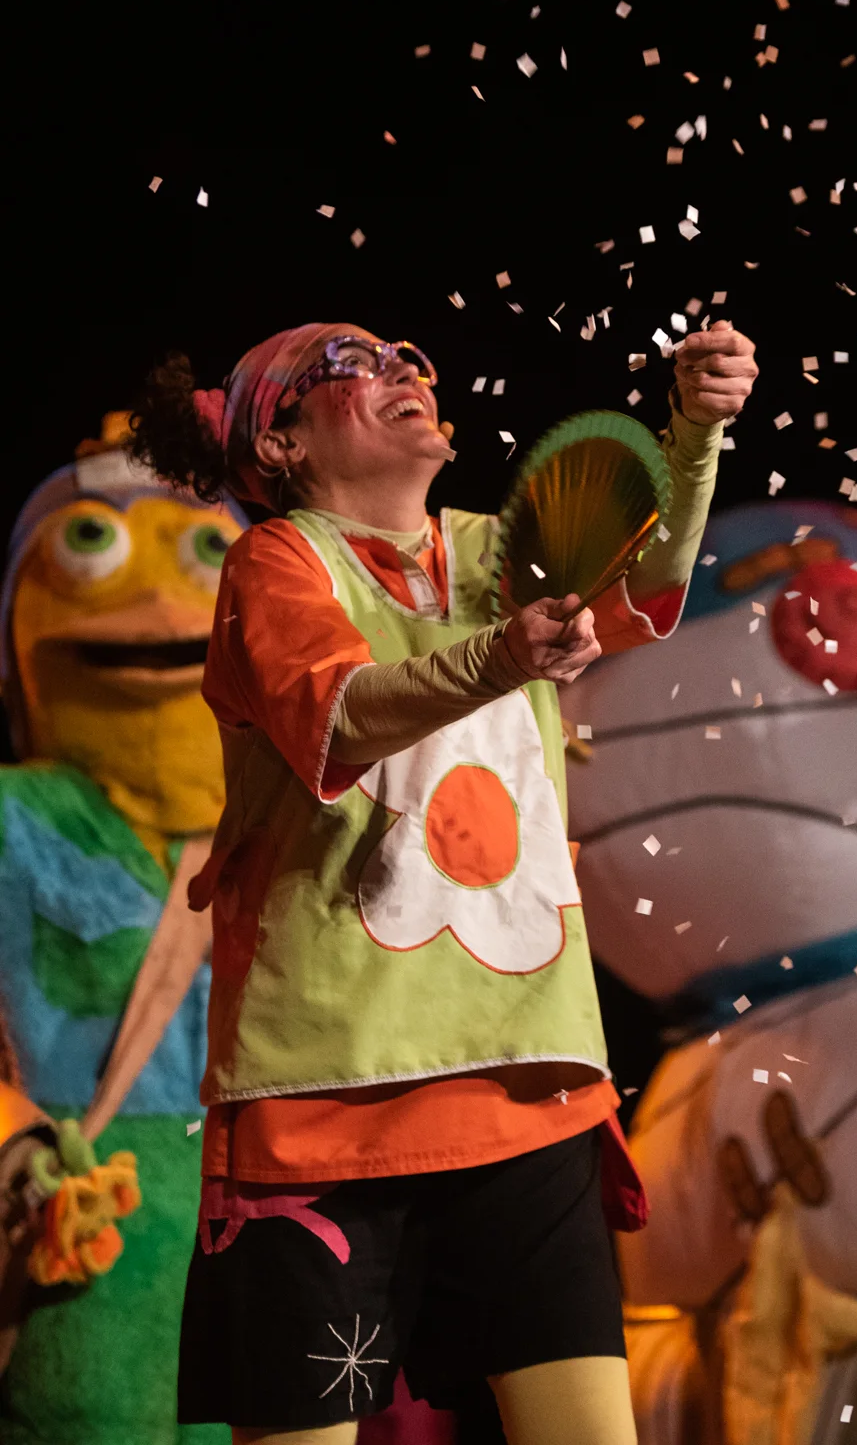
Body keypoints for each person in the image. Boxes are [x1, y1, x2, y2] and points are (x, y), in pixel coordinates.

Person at [127, 319, 758, 1445]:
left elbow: (649, 580)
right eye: (351, 366)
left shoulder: (491, 546)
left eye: (406, 357)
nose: (402, 369)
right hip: (326, 1088)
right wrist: (504, 655)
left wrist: (696, 432)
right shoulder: (276, 562)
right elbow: (341, 713)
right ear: (280, 443)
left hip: (524, 1076)